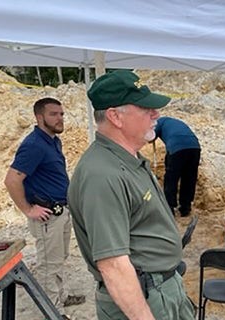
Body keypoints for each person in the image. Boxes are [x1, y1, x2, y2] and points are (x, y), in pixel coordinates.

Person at [68, 70, 194, 319]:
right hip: (143, 298)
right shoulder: (102, 174)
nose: (155, 113)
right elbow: (113, 265)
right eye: (145, 108)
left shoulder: (127, 159)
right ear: (115, 116)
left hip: (160, 290)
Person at [4, 97, 85, 316]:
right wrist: (29, 209)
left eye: (61, 114)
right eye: (54, 114)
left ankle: (61, 296)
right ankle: (53, 311)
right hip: (47, 215)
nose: (60, 118)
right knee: (49, 265)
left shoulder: (52, 140)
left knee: (59, 259)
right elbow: (12, 180)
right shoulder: (34, 145)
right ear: (39, 117)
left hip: (60, 211)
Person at [153, 116, 201, 217]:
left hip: (176, 148)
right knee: (189, 178)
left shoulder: (159, 122)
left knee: (171, 178)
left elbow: (151, 135)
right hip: (194, 147)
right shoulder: (175, 122)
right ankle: (185, 208)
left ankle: (169, 208)